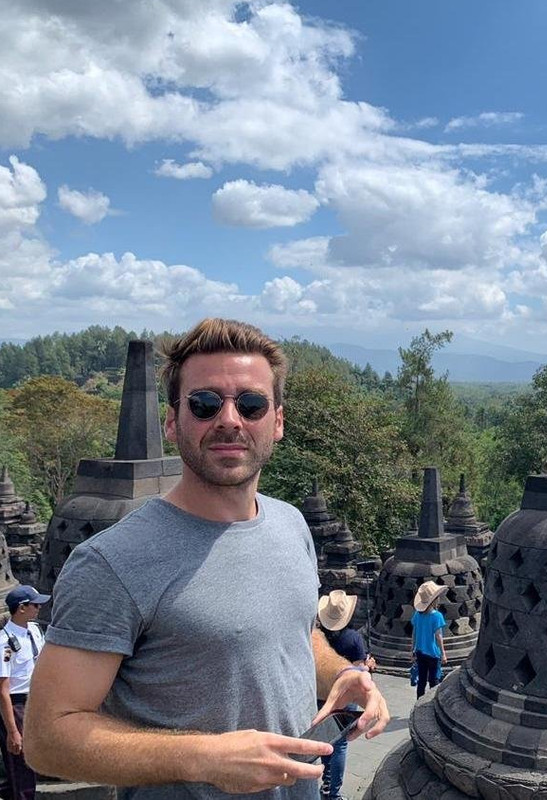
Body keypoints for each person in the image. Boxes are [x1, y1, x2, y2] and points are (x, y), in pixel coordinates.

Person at [23, 318, 389, 800]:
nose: (230, 420)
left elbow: (297, 634)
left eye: (251, 403)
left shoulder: (290, 525)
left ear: (277, 421)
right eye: (205, 403)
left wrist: (342, 674)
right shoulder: (111, 563)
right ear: (173, 421)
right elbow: (48, 739)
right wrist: (203, 757)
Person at [315, 590, 375, 800]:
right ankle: (333, 792)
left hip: (320, 695)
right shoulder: (354, 639)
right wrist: (368, 667)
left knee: (325, 741)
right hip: (345, 698)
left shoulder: (318, 636)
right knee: (339, 744)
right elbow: (358, 672)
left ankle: (326, 783)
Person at [0, 585, 49, 800]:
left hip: (35, 701)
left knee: (25, 770)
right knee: (22, 769)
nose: (39, 608)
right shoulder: (4, 642)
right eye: (35, 604)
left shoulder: (34, 631)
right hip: (15, 705)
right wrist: (12, 731)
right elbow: (3, 688)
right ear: (21, 608)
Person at [411, 582, 448, 699]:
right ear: (434, 600)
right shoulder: (437, 616)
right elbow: (438, 636)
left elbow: (414, 633)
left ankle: (418, 703)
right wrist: (443, 654)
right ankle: (431, 704)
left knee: (421, 681)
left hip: (420, 651)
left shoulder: (417, 614)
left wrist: (412, 650)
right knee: (434, 681)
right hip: (433, 653)